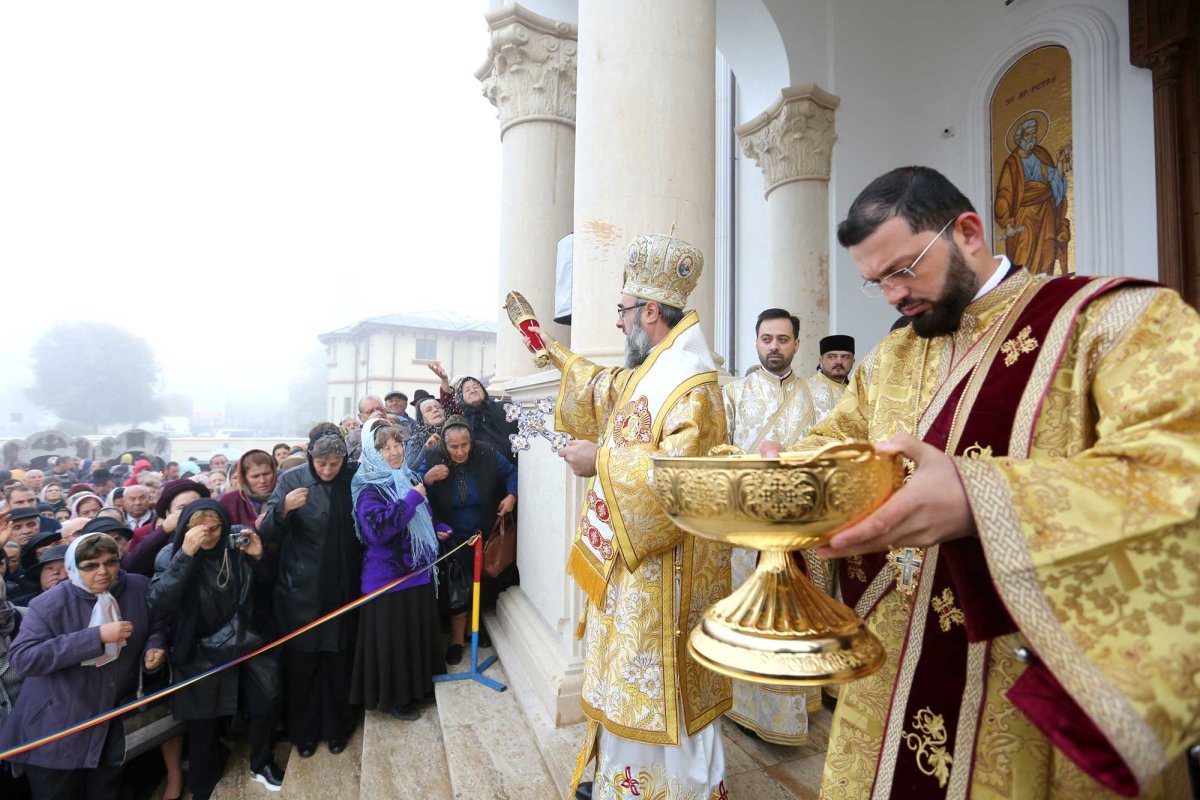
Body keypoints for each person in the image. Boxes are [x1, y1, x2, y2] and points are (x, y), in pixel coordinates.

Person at [772, 165, 1200, 798]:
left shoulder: (1112, 321)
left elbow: (1180, 464)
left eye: (901, 270)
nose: (892, 296)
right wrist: (778, 471)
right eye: (875, 283)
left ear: (967, 231)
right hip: (894, 669)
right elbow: (834, 442)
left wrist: (983, 499)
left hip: (1030, 688)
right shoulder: (892, 356)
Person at [530, 232, 732, 798]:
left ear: (649, 311)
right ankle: (626, 785)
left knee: (658, 689)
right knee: (625, 685)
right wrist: (547, 349)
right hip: (633, 571)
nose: (617, 323)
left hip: (666, 579)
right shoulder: (653, 369)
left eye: (622, 311)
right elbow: (605, 391)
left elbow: (687, 482)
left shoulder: (692, 383)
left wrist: (601, 461)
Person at [0, 532, 166, 799]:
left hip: (109, 725)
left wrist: (153, 646)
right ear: (71, 569)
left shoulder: (137, 587)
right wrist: (96, 637)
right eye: (90, 566)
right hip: (57, 728)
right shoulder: (48, 604)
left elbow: (157, 622)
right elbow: (24, 658)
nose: (103, 572)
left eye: (111, 562)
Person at [148, 499, 285, 797]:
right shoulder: (169, 554)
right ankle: (203, 783)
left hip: (246, 639)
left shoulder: (235, 545)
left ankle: (262, 763)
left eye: (214, 528)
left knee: (266, 701)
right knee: (204, 723)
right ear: (185, 528)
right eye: (199, 528)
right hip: (200, 648)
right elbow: (160, 601)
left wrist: (259, 556)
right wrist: (186, 554)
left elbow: (266, 585)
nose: (208, 535)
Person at [260, 431, 362, 757]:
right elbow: (267, 532)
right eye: (322, 464)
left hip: (341, 585)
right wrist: (283, 511)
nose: (328, 470)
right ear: (310, 459)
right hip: (300, 588)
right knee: (302, 664)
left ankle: (337, 729)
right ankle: (303, 734)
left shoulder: (352, 478)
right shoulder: (291, 479)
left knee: (337, 660)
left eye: (334, 463)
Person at [349, 421, 447, 721]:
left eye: (397, 444)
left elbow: (419, 518)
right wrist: (411, 500)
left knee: (414, 637)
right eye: (385, 447)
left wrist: (435, 529)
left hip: (417, 572)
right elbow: (377, 531)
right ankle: (396, 699)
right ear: (372, 451)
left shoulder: (406, 475)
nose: (394, 452)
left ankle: (418, 689)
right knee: (395, 644)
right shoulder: (368, 488)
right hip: (388, 580)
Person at [421, 415, 516, 665]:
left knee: (478, 582)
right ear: (444, 444)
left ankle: (472, 628)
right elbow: (414, 490)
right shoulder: (431, 457)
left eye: (465, 445)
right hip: (450, 533)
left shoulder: (485, 453)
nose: (460, 451)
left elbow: (511, 472)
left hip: (481, 531)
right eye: (454, 447)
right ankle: (457, 639)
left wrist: (512, 495)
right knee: (456, 586)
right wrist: (428, 479)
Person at [994, 116, 1071, 276]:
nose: (1032, 137)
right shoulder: (1012, 163)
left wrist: (1060, 163)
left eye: (1034, 134)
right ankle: (1025, 291)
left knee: (1047, 252)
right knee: (1023, 252)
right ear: (1019, 137)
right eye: (1028, 134)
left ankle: (1044, 288)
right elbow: (1004, 194)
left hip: (1046, 213)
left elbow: (1054, 179)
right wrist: (1007, 223)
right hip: (1025, 217)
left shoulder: (1040, 154)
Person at [124, 479, 210, 578]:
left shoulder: (216, 530)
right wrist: (163, 530)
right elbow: (131, 567)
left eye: (196, 505)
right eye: (182, 508)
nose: (191, 511)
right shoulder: (160, 538)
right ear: (168, 513)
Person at [219, 450, 277, 527]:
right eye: (255, 476)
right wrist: (255, 524)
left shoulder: (285, 496)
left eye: (266, 474)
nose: (262, 480)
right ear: (244, 477)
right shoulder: (230, 501)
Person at [806, 334, 855, 422]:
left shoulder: (857, 392)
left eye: (845, 357)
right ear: (821, 361)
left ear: (853, 362)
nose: (839, 362)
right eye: (832, 357)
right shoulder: (806, 390)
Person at [405, 395, 447, 472]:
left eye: (438, 407)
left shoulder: (452, 433)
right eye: (429, 410)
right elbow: (411, 471)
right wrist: (426, 448)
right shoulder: (416, 440)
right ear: (422, 419)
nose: (435, 410)